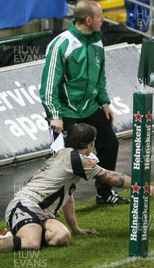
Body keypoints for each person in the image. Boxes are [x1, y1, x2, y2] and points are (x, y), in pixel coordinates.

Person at [0, 123, 154, 258]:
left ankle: (16, 235)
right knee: (32, 244)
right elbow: (111, 178)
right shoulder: (78, 160)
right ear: (90, 145)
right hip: (25, 205)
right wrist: (141, 187)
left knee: (62, 238)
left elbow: (67, 197)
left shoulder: (64, 154)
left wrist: (76, 229)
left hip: (42, 212)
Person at [40, 0, 128, 205]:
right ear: (88, 20)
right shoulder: (61, 44)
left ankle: (104, 194)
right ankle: (46, 201)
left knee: (109, 143)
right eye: (100, 17)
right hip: (66, 111)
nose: (103, 20)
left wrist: (104, 102)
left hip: (90, 106)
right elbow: (49, 85)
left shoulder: (97, 41)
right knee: (62, 158)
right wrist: (55, 115)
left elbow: (100, 77)